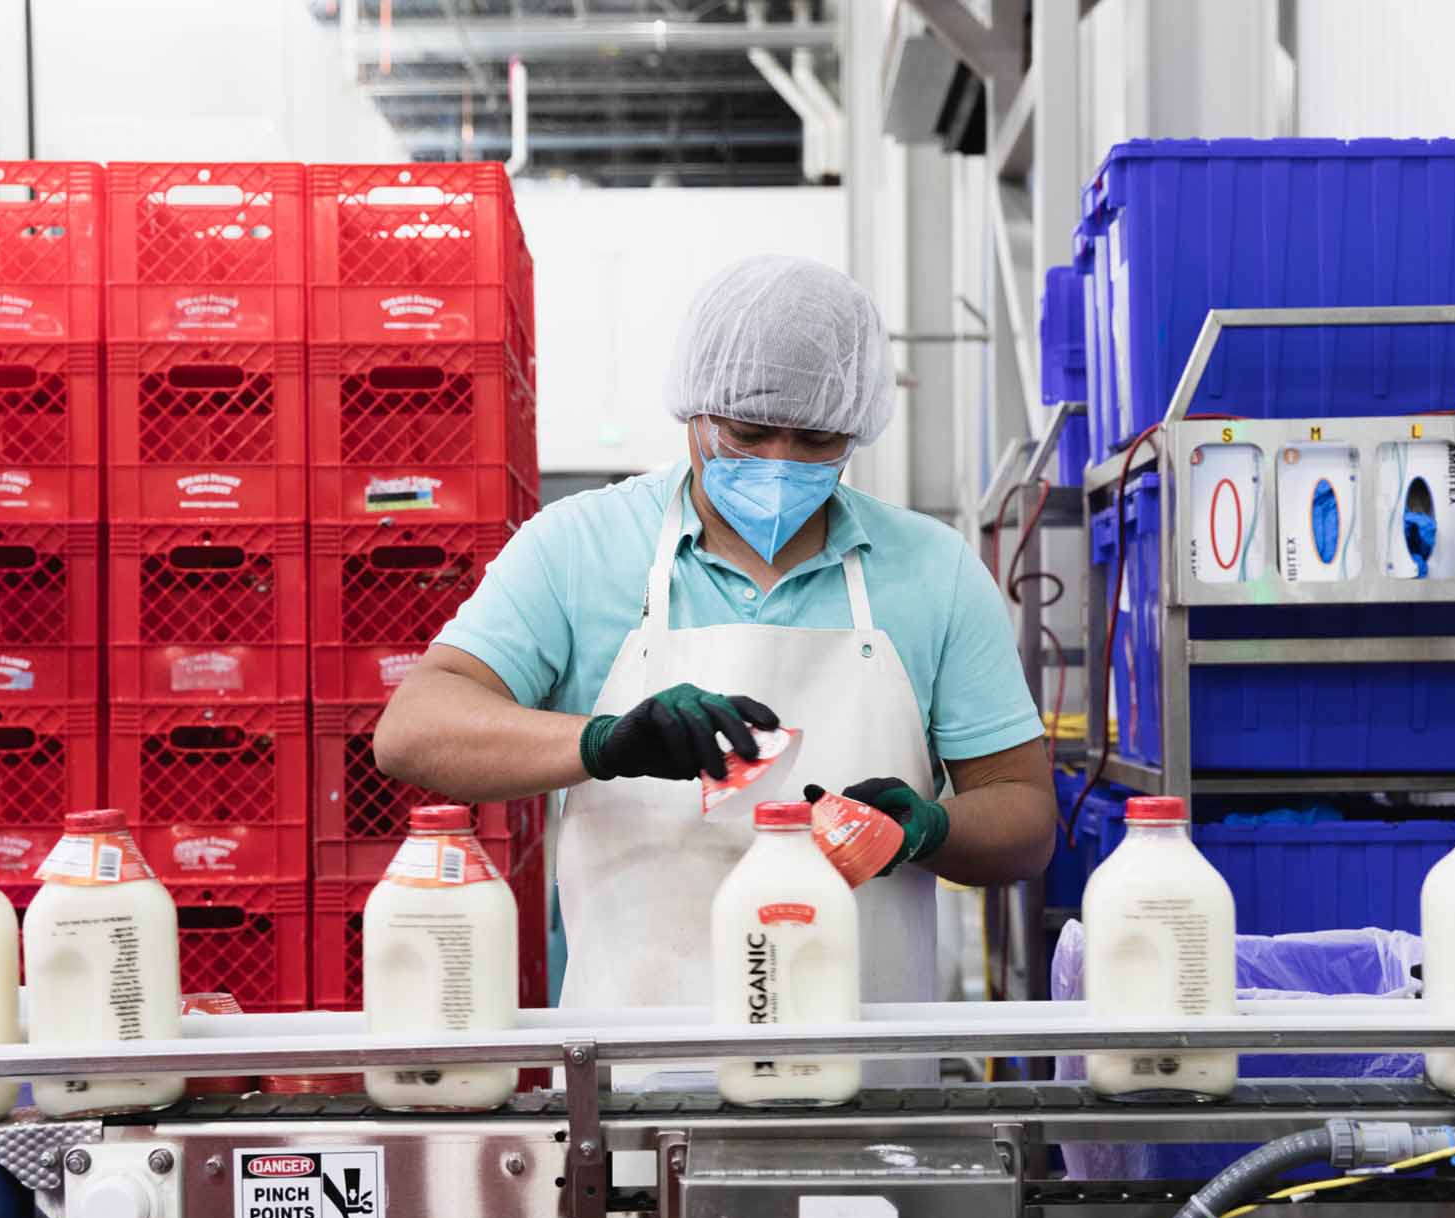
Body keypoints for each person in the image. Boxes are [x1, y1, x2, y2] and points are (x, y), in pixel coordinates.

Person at [374, 252, 1056, 1034]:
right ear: (695, 410)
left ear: (857, 427)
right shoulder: (581, 548)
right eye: (749, 431)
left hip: (869, 1059)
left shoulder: (932, 571)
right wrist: (605, 743)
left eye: (815, 439)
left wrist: (929, 828)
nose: (779, 464)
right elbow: (413, 731)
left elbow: (1025, 817)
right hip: (638, 1064)